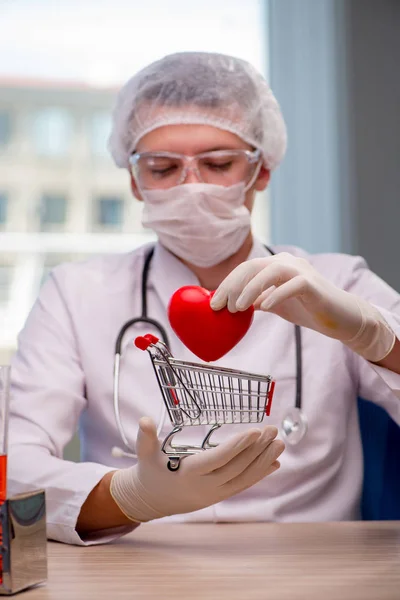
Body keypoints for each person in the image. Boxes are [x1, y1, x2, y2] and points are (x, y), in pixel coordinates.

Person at [8, 52, 400, 547]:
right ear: (133, 180)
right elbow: (13, 465)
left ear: (262, 170)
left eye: (218, 163)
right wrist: (131, 497)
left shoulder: (337, 280)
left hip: (310, 566)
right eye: (163, 167)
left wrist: (370, 332)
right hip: (135, 566)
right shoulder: (76, 293)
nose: (191, 187)